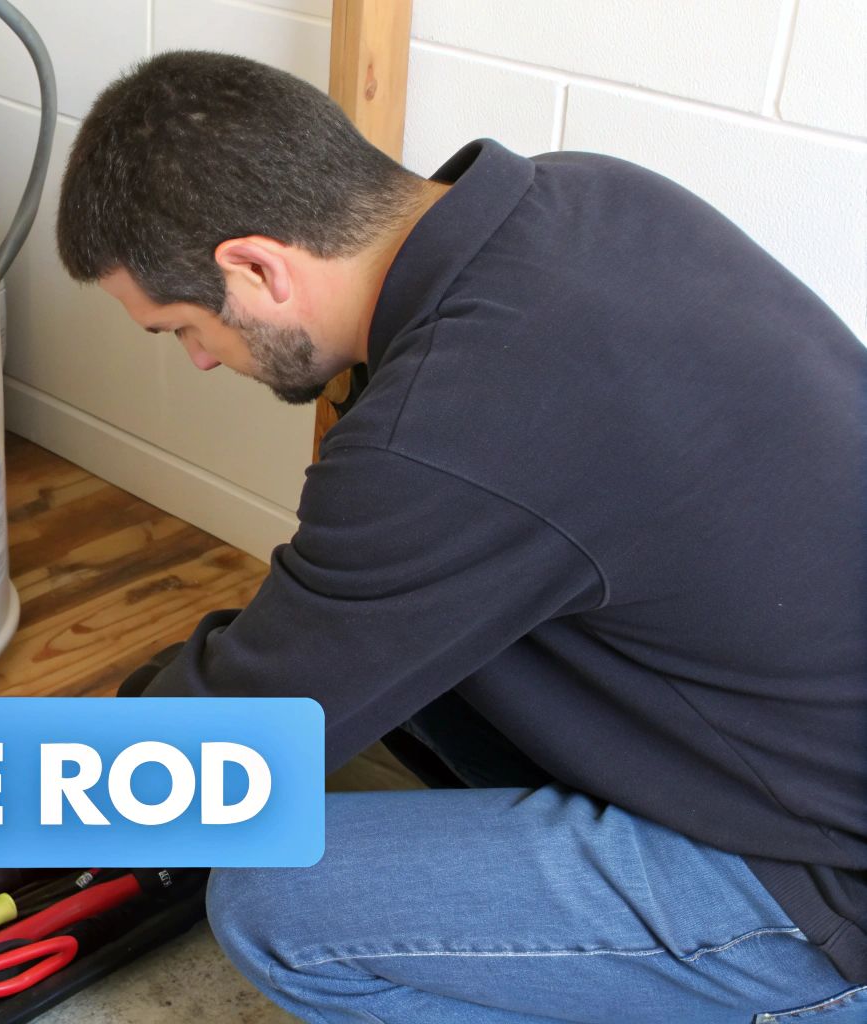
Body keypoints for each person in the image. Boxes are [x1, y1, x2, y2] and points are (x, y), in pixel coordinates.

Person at [55, 50, 867, 1023]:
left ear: (256, 267)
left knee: (279, 904)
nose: (195, 360)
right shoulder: (589, 195)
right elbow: (333, 628)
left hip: (826, 890)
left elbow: (226, 749)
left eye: (180, 327)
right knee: (383, 688)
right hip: (806, 738)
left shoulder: (444, 426)